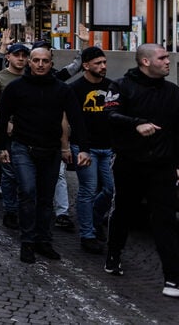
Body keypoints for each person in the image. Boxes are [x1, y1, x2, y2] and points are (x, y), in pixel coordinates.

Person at [106, 44, 179, 300]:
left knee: (165, 222)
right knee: (124, 212)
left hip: (161, 168)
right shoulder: (121, 86)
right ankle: (113, 254)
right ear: (145, 62)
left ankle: (173, 280)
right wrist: (136, 124)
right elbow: (109, 116)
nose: (167, 61)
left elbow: (178, 131)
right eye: (162, 58)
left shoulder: (173, 92)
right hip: (130, 164)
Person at [0, 47, 89, 264]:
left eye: (44, 61)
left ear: (51, 62)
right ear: (29, 62)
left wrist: (83, 147)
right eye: (35, 60)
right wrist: (0, 147)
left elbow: (76, 118)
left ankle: (43, 240)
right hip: (22, 148)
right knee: (28, 192)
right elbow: (2, 119)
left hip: (51, 150)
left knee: (46, 197)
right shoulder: (15, 88)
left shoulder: (62, 89)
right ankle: (27, 242)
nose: (40, 64)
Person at [68, 46, 118, 254]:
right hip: (85, 147)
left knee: (110, 189)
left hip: (108, 148)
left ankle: (95, 218)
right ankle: (87, 235)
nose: (103, 66)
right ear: (86, 66)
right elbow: (71, 121)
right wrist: (73, 148)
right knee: (88, 189)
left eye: (104, 62)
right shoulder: (75, 89)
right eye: (98, 63)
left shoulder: (112, 87)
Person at [0, 42, 29, 229]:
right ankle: (11, 210)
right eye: (16, 55)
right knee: (10, 174)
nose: (20, 59)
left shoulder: (32, 77)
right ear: (8, 57)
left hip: (29, 132)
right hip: (6, 133)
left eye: (23, 55)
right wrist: (6, 124)